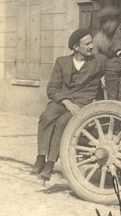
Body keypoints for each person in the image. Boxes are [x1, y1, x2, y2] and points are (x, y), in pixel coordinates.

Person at [31, 29, 106, 181]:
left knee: (62, 122)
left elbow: (114, 66)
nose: (92, 46)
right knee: (47, 115)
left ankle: (50, 163)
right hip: (63, 100)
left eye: (91, 43)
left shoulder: (99, 61)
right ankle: (41, 157)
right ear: (76, 47)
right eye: (87, 44)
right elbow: (52, 88)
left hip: (82, 103)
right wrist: (66, 102)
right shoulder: (62, 62)